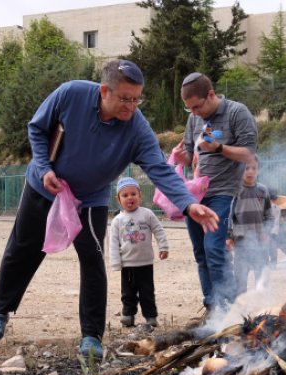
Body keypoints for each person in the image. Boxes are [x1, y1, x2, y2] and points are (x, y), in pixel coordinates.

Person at [0, 59, 219, 359]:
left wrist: (188, 204)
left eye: (136, 99)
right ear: (104, 91)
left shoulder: (137, 128)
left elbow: (160, 168)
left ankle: (92, 335)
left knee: (93, 259)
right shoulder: (71, 94)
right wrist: (43, 168)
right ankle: (0, 311)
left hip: (89, 198)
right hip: (45, 185)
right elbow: (37, 128)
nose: (131, 107)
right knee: (23, 247)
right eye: (124, 98)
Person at [176, 72, 258, 315]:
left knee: (214, 249)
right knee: (201, 252)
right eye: (188, 109)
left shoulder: (236, 112)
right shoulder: (194, 120)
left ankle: (229, 308)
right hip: (196, 196)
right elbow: (191, 154)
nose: (194, 113)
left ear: (211, 95)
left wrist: (219, 147)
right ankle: (212, 307)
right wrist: (184, 157)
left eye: (197, 106)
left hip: (223, 192)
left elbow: (249, 154)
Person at [109, 177, 168, 328]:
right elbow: (113, 242)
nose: (130, 198)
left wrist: (163, 247)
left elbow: (158, 230)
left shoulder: (147, 214)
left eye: (133, 194)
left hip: (145, 263)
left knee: (147, 292)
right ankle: (128, 315)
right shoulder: (118, 220)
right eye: (125, 195)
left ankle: (150, 317)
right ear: (119, 199)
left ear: (140, 195)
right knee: (128, 293)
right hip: (127, 264)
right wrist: (115, 262)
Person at [226, 157, 273, 295]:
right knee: (240, 280)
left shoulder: (263, 191)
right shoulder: (235, 191)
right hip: (241, 243)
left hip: (260, 243)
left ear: (258, 170)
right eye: (246, 168)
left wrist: (267, 232)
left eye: (254, 168)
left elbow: (269, 215)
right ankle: (241, 311)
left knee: (262, 279)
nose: (250, 171)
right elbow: (228, 217)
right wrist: (229, 236)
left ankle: (261, 309)